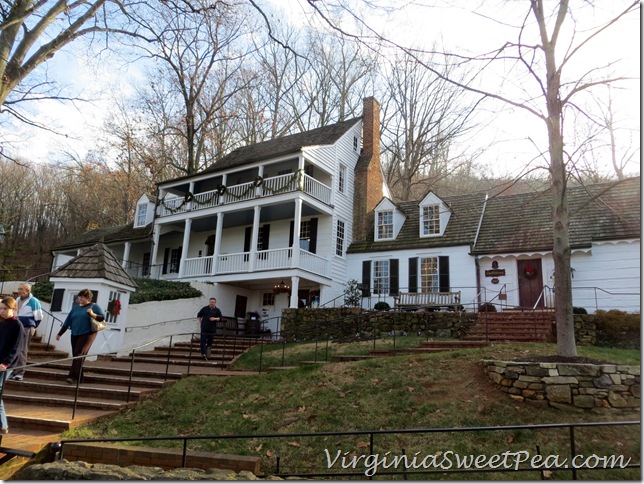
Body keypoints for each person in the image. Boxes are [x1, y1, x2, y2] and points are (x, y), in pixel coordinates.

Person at [55, 289, 105, 384]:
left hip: (88, 334)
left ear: (88, 298)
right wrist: (60, 334)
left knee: (78, 354)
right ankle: (80, 377)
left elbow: (102, 318)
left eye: (83, 297)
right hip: (75, 333)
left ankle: (72, 377)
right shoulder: (75, 308)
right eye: (79, 296)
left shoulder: (94, 306)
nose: (80, 298)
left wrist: (92, 314)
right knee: (76, 355)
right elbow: (67, 322)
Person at [0, 297, 25, 434]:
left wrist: (6, 363)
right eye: (0, 308)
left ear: (13, 309)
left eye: (5, 309)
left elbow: (17, 347)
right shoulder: (1, 323)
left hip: (6, 365)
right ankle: (2, 426)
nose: (2, 311)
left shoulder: (17, 325)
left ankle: (3, 425)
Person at [11, 282, 43, 381]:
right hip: (16, 326)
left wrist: (33, 327)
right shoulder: (17, 300)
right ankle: (12, 371)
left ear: (27, 291)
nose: (19, 291)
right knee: (13, 349)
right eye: (19, 289)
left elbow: (39, 317)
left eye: (21, 289)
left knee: (22, 350)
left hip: (26, 327)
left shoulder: (34, 301)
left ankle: (20, 373)